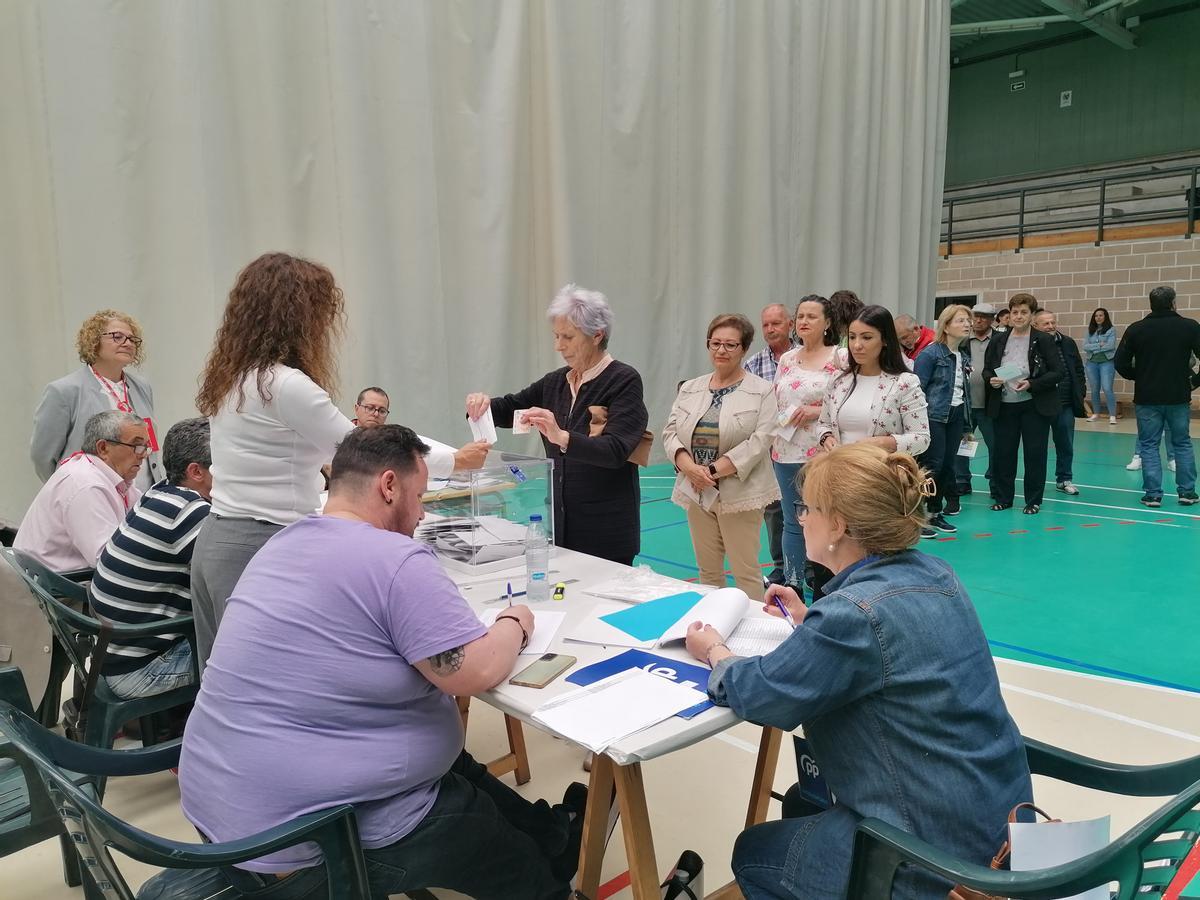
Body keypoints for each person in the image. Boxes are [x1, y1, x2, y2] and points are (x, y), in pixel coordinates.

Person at [179, 425, 585, 899]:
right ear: (389, 485)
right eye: (419, 495)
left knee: (459, 766)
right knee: (511, 863)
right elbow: (476, 670)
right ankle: (548, 877)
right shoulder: (393, 557)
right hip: (307, 839)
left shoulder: (283, 543)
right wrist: (515, 621)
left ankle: (552, 837)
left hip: (222, 804)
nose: (422, 511)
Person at [681, 444, 1032, 900]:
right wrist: (813, 621)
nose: (801, 518)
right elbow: (895, 648)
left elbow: (763, 692)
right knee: (799, 800)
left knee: (754, 851)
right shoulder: (936, 572)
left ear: (839, 525)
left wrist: (716, 652)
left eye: (809, 508)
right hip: (995, 824)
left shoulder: (853, 615)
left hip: (927, 854)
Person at [190, 253, 492, 671]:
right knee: (261, 680)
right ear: (298, 317)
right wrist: (453, 459)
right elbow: (362, 447)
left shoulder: (236, 379)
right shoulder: (285, 385)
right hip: (256, 544)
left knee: (226, 675)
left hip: (220, 537)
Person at [466, 284, 649, 565]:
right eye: (556, 336)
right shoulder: (555, 382)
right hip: (560, 527)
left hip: (607, 532)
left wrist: (561, 436)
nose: (558, 346)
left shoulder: (624, 380)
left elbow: (615, 450)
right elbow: (507, 408)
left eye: (568, 337)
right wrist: (481, 405)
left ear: (597, 336)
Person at [90, 418, 212, 700]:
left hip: (113, 655)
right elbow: (234, 584)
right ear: (196, 471)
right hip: (139, 670)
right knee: (253, 655)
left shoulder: (159, 492)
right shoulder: (191, 514)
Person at [814, 305, 929, 597]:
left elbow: (921, 437)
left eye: (867, 337)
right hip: (837, 481)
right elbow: (823, 424)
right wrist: (827, 439)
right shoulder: (839, 382)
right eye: (852, 337)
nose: (857, 345)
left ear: (885, 340)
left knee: (867, 555)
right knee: (831, 556)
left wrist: (882, 443)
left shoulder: (904, 383)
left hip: (876, 485)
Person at [664, 314, 780, 599]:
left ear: (743, 349)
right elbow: (670, 432)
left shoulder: (762, 391)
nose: (721, 350)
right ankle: (712, 628)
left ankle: (754, 633)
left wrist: (711, 472)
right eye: (715, 343)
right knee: (708, 573)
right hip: (695, 490)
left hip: (740, 493)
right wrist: (689, 467)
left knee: (746, 572)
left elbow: (760, 441)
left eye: (730, 344)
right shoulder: (690, 387)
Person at [31, 309, 164, 492]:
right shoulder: (64, 391)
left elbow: (150, 443)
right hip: (91, 497)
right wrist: (69, 490)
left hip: (143, 496)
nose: (127, 343)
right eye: (117, 336)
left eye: (132, 339)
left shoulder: (142, 387)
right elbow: (42, 456)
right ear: (93, 341)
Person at [770, 295, 844, 599]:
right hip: (786, 449)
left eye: (812, 316)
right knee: (792, 521)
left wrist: (816, 412)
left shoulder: (840, 357)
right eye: (800, 316)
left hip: (823, 451)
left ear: (827, 323)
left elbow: (845, 400)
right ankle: (793, 584)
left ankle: (824, 587)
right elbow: (775, 398)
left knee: (824, 519)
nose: (804, 322)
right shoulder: (787, 358)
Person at [15, 411, 149, 572]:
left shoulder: (113, 477)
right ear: (103, 448)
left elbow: (145, 521)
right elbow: (108, 560)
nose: (144, 455)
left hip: (71, 580)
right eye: (137, 446)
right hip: (56, 589)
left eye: (146, 447)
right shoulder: (86, 484)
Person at [1114, 285, 1200, 508]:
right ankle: (1187, 492)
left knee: (1149, 445)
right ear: (1174, 303)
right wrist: (1195, 381)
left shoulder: (1136, 329)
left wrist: (1138, 376)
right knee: (1182, 443)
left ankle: (1153, 494)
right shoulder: (1190, 327)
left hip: (1147, 397)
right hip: (1178, 396)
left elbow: (1120, 362)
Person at [982, 293, 1064, 515]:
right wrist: (992, 380)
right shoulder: (999, 339)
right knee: (1003, 453)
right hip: (1005, 405)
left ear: (1031, 315)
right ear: (1009, 315)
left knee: (1034, 454)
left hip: (1033, 407)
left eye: (1023, 312)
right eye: (1015, 312)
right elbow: (987, 369)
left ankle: (1033, 500)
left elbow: (1058, 372)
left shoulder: (1044, 340)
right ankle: (1003, 497)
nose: (1018, 316)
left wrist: (1032, 384)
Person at [743, 303, 797, 586]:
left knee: (808, 509)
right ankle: (781, 567)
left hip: (805, 448)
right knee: (774, 512)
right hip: (770, 450)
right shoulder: (752, 365)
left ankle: (812, 567)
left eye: (776, 323)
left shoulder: (807, 357)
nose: (770, 329)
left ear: (790, 324)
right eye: (765, 325)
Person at [914, 305, 973, 536]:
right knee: (931, 466)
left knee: (948, 466)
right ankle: (920, 516)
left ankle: (935, 513)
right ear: (946, 326)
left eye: (968, 320)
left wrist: (967, 426)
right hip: (933, 416)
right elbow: (917, 390)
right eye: (960, 321)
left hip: (955, 415)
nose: (967, 324)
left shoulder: (963, 356)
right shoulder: (930, 354)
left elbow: (963, 393)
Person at [1033, 309, 1086, 497]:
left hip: (1064, 403)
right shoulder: (1033, 344)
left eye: (1053, 322)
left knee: (1065, 443)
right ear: (1036, 326)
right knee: (1036, 446)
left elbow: (1078, 370)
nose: (1051, 326)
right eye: (1046, 323)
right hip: (1039, 403)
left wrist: (1080, 391)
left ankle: (1064, 479)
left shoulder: (1068, 343)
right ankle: (1034, 482)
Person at [954, 303, 998, 500]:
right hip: (966, 406)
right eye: (976, 316)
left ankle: (996, 482)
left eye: (984, 317)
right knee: (964, 445)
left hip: (990, 405)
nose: (978, 320)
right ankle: (962, 482)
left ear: (992, 320)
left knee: (996, 445)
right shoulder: (962, 340)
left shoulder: (1000, 340)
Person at [1082, 307, 1118, 424]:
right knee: (1094, 389)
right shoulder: (1090, 330)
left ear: (1105, 317)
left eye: (1101, 315)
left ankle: (1112, 415)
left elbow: (1111, 346)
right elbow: (1085, 346)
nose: (1098, 317)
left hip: (1106, 362)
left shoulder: (1111, 330)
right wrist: (1100, 346)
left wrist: (1095, 347)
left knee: (1107, 388)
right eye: (1096, 316)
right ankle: (1095, 413)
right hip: (1091, 363)